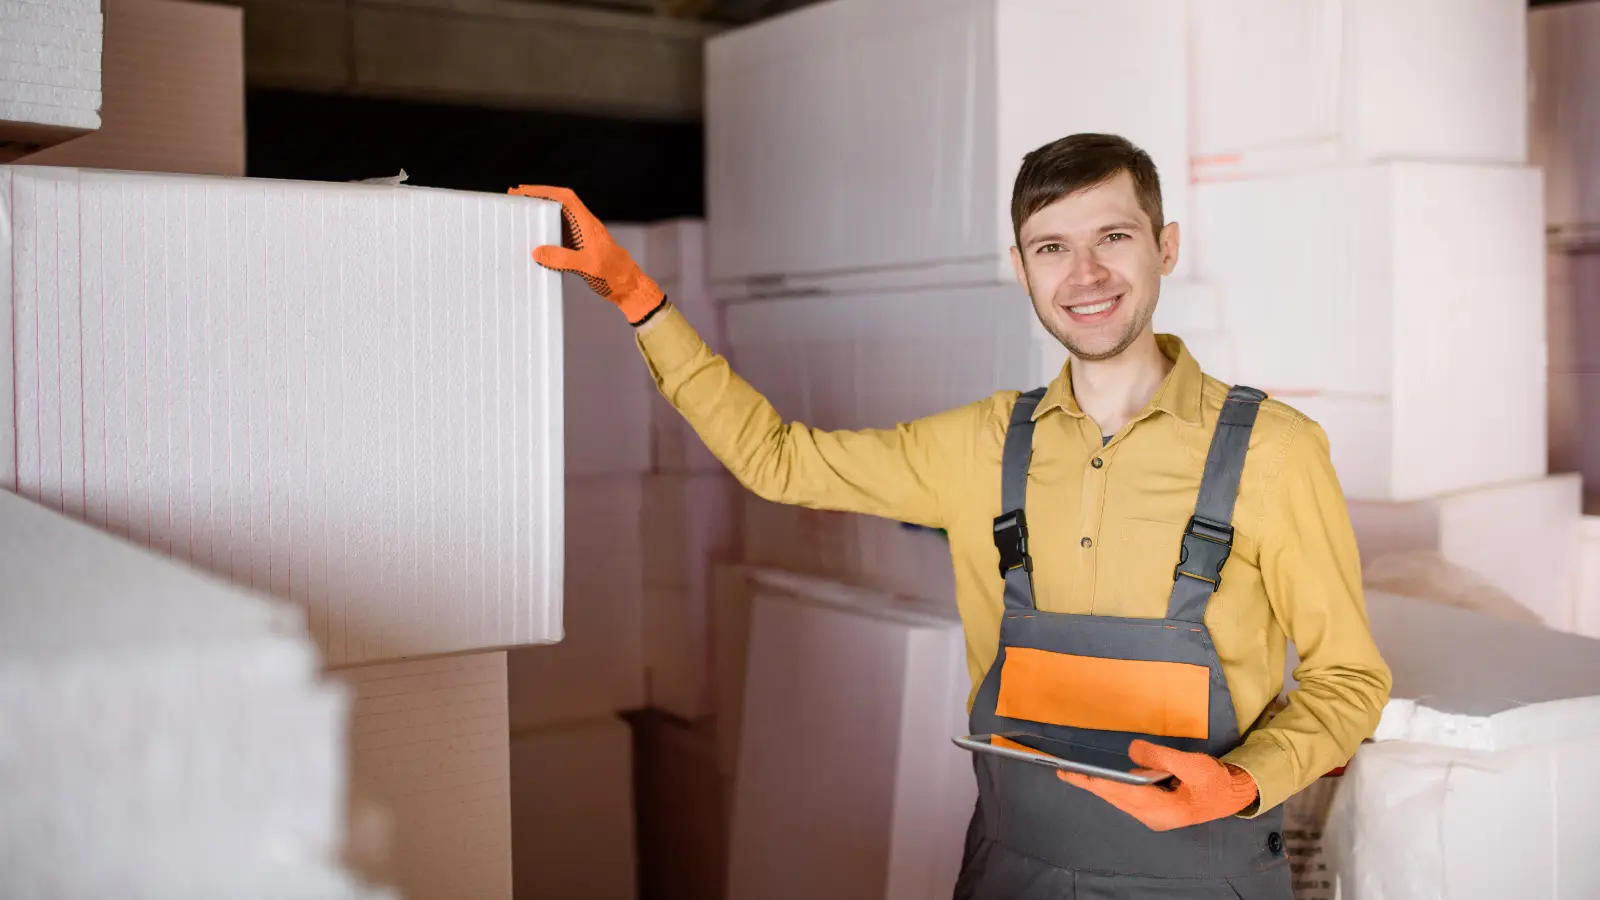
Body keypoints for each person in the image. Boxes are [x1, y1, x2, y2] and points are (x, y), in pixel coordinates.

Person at [511, 132, 1392, 899]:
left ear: (1164, 246)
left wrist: (1240, 782)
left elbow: (1350, 678)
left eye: (1112, 237)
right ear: (1020, 267)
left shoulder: (1274, 450)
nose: (1083, 275)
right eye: (1051, 248)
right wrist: (637, 297)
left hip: (1207, 874)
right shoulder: (981, 446)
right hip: (1015, 870)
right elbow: (778, 459)